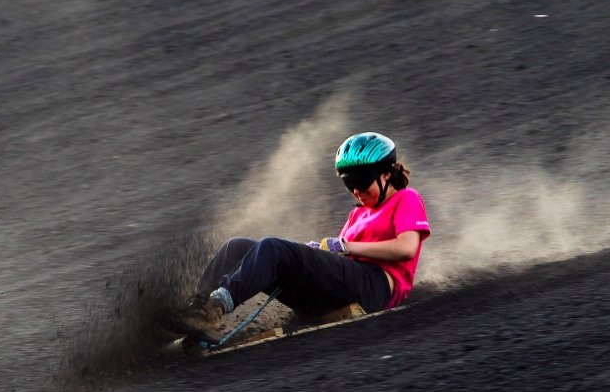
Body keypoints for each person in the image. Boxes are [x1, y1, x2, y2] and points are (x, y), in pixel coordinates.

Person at [169, 132, 431, 342]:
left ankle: (214, 309)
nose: (356, 191)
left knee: (273, 247)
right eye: (349, 184)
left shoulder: (406, 198)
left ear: (386, 173)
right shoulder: (358, 213)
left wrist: (345, 245)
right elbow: (340, 259)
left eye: (362, 182)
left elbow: (407, 248)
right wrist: (319, 252)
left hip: (375, 288)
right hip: (344, 286)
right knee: (237, 246)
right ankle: (194, 311)